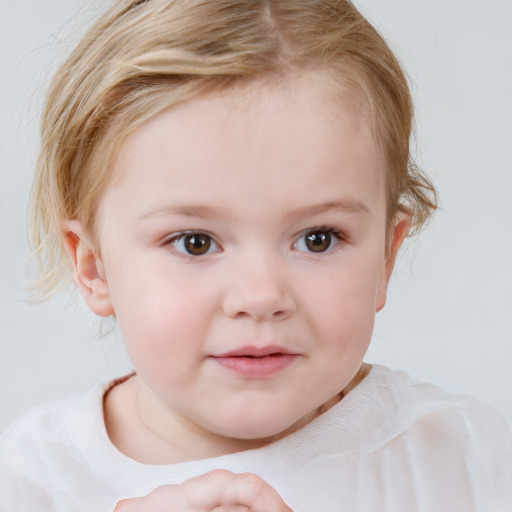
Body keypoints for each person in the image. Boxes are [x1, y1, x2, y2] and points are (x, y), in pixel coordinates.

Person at [0, 0, 510, 510]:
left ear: (385, 258)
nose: (261, 296)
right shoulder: (32, 480)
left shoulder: (463, 461)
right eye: (195, 242)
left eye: (318, 238)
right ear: (93, 267)